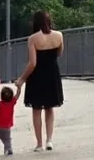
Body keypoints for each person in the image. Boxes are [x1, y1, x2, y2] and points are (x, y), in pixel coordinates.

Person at [16, 11, 64, 152]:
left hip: (37, 77)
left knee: (36, 109)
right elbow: (59, 53)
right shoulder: (59, 35)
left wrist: (22, 79)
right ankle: (49, 140)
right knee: (50, 108)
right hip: (52, 73)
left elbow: (32, 63)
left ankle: (39, 143)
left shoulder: (33, 39)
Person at [0, 82, 21, 156]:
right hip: (6, 127)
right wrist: (19, 88)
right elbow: (17, 95)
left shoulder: (0, 104)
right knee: (7, 140)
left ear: (1, 97)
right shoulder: (12, 102)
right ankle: (8, 150)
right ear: (11, 96)